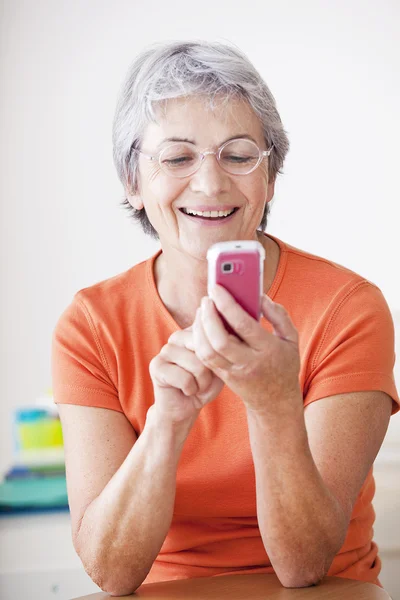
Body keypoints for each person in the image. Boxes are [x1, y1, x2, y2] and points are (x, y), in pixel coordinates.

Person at [51, 40, 399, 597]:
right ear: (133, 182)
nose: (211, 185)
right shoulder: (90, 325)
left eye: (238, 156)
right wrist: (166, 422)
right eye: (177, 157)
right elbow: (111, 574)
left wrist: (272, 402)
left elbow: (304, 566)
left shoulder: (348, 308)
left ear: (271, 178)